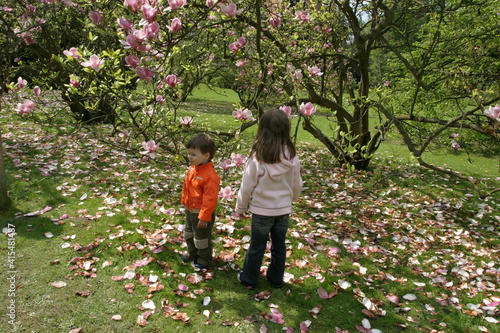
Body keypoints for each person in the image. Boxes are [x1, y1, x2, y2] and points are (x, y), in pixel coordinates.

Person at [235, 108, 303, 289]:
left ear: (262, 130)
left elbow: (246, 186)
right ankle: (275, 279)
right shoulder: (292, 157)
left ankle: (249, 278)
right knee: (279, 246)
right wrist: (292, 199)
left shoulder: (258, 157)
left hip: (261, 210)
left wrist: (240, 208)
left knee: (257, 246)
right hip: (283, 210)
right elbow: (297, 185)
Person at [180, 133, 220, 270]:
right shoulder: (193, 169)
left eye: (193, 154)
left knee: (201, 238)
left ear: (206, 156)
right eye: (189, 153)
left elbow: (210, 199)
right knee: (189, 232)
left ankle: (204, 258)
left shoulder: (210, 176)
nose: (189, 157)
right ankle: (192, 253)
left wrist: (204, 216)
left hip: (201, 214)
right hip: (190, 209)